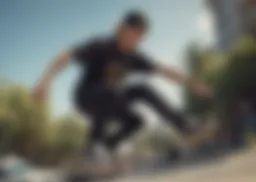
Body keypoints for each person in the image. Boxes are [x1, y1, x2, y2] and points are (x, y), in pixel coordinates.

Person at [34, 10, 212, 167]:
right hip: (86, 96)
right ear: (122, 29)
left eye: (139, 37)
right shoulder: (101, 46)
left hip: (111, 100)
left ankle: (185, 128)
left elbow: (164, 70)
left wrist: (191, 82)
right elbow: (67, 55)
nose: (135, 40)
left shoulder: (134, 57)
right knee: (109, 90)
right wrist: (46, 80)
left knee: (138, 115)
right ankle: (93, 147)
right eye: (132, 34)